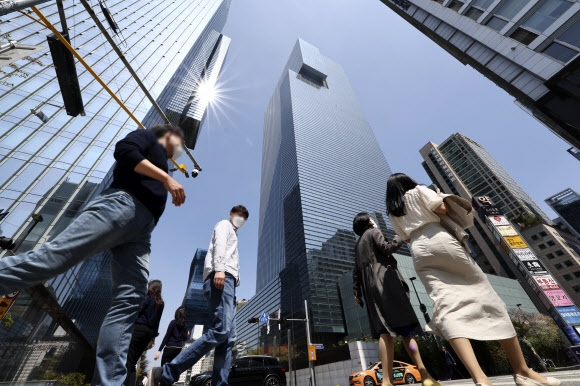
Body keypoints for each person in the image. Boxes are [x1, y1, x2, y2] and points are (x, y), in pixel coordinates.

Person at [0, 124, 186, 386]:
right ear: (169, 136)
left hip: (141, 232)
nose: (179, 151)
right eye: (179, 144)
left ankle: (109, 383)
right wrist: (166, 178)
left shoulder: (163, 162)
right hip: (120, 205)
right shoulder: (148, 138)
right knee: (53, 259)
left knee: (130, 299)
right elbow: (124, 150)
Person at [386, 173, 560, 386]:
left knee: (447, 305)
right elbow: (440, 209)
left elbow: (404, 237)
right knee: (488, 298)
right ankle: (522, 370)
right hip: (440, 239)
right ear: (408, 183)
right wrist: (440, 196)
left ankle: (480, 379)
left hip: (418, 250)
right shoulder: (419, 190)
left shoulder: (393, 212)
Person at [159, 205, 249, 386]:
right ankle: (170, 370)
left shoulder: (235, 234)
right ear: (231, 215)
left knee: (228, 338)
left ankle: (220, 383)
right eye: (239, 215)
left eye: (244, 218)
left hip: (230, 283)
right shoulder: (224, 225)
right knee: (221, 330)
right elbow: (220, 246)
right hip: (222, 277)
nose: (241, 219)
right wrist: (220, 270)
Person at [352, 212, 441, 386]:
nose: (373, 221)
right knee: (407, 332)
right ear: (367, 222)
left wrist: (357, 294)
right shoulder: (373, 232)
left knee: (385, 333)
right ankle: (424, 375)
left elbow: (356, 273)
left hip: (371, 292)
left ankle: (386, 381)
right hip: (387, 285)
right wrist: (398, 237)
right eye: (370, 218)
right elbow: (387, 248)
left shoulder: (358, 245)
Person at [125, 280, 165, 386]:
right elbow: (157, 321)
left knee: (128, 361)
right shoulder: (160, 303)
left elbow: (138, 311)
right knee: (133, 363)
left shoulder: (147, 298)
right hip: (148, 334)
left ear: (151, 287)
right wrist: (153, 339)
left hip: (138, 329)